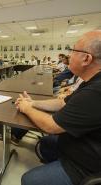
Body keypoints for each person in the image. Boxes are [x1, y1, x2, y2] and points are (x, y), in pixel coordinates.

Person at [15, 30, 101, 185]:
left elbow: (52, 126)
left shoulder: (96, 90)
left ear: (86, 58)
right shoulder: (91, 81)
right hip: (78, 143)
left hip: (88, 166)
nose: (69, 55)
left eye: (73, 50)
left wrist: (26, 108)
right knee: (47, 144)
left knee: (28, 180)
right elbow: (62, 103)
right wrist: (33, 103)